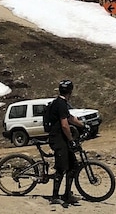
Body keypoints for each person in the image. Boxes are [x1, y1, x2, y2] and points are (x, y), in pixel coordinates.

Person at [45, 79, 88, 207]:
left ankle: (67, 194)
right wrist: (71, 140)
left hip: (60, 138)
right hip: (58, 139)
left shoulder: (60, 103)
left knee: (73, 165)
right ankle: (54, 196)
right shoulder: (61, 104)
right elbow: (65, 125)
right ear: (70, 91)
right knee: (61, 167)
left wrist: (82, 125)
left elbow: (69, 118)